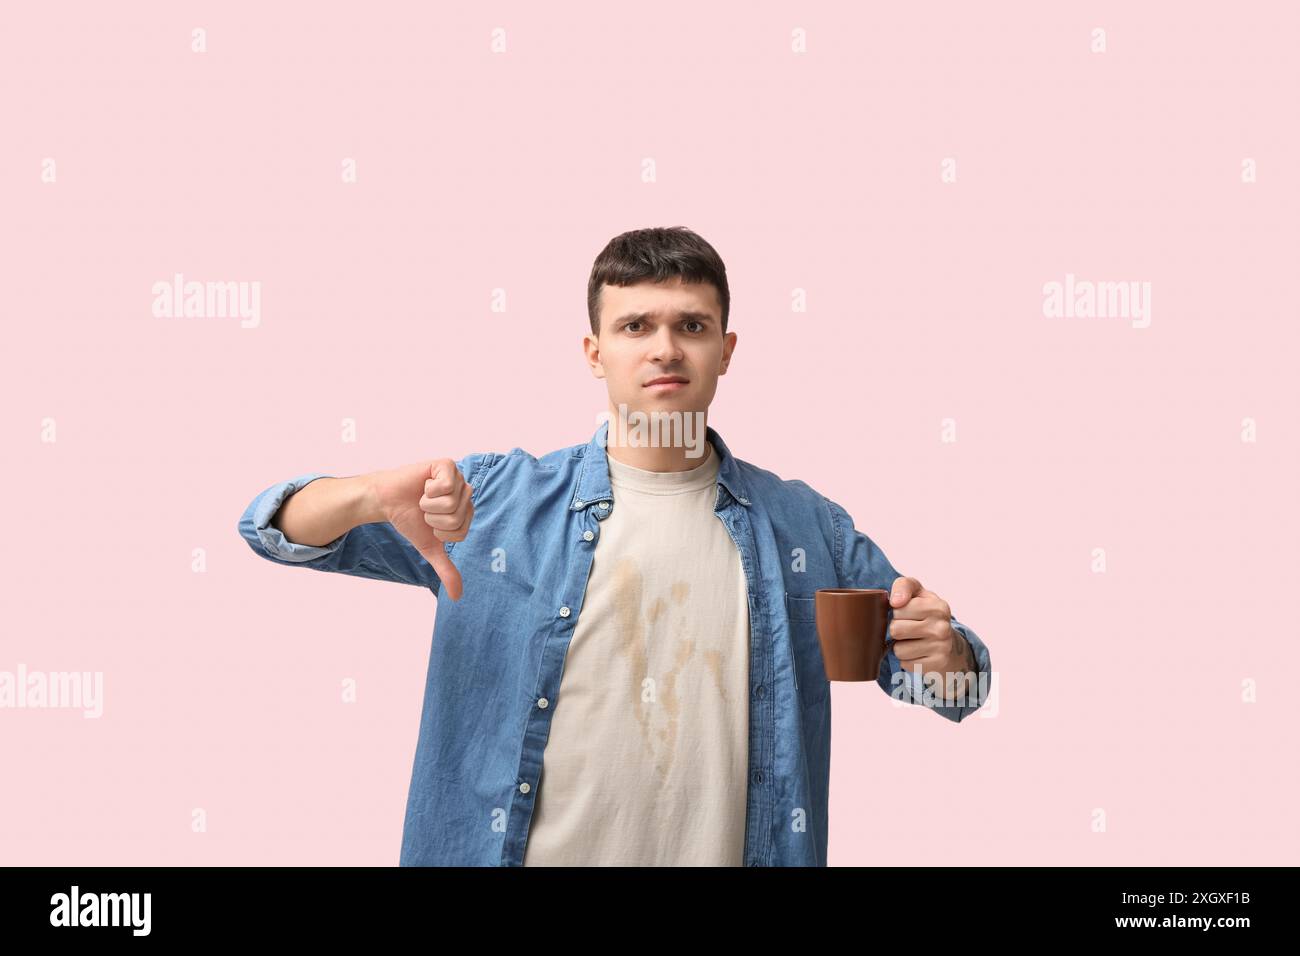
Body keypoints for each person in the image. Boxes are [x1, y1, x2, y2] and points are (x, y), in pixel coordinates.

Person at [237, 226, 992, 866]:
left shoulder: (806, 526)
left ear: (726, 349)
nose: (665, 349)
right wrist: (367, 495)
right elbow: (274, 529)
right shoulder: (490, 504)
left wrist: (947, 660)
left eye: (691, 326)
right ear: (595, 352)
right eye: (636, 327)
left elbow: (953, 693)